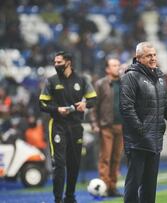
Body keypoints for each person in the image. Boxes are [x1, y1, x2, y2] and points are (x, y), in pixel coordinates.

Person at [120, 42, 167, 203]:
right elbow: (126, 108)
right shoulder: (130, 77)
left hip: (155, 139)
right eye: (149, 55)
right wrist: (141, 130)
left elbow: (164, 105)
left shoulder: (160, 77)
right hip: (138, 140)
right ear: (138, 58)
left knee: (150, 185)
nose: (153, 58)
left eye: (154, 55)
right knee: (133, 183)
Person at [39, 51, 97, 203]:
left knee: (74, 162)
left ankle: (70, 197)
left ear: (68, 62)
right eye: (55, 62)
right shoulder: (51, 81)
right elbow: (42, 103)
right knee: (59, 164)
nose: (56, 65)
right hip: (58, 125)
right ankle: (58, 199)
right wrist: (56, 110)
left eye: (59, 62)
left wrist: (85, 104)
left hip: (76, 125)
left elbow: (93, 99)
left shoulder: (82, 80)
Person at [90, 58, 125, 197]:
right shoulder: (100, 84)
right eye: (114, 65)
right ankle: (104, 186)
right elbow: (93, 105)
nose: (117, 67)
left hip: (121, 126)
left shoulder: (124, 82)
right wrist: (94, 124)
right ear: (107, 69)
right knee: (105, 157)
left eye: (118, 65)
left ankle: (113, 187)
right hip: (106, 126)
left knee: (116, 158)